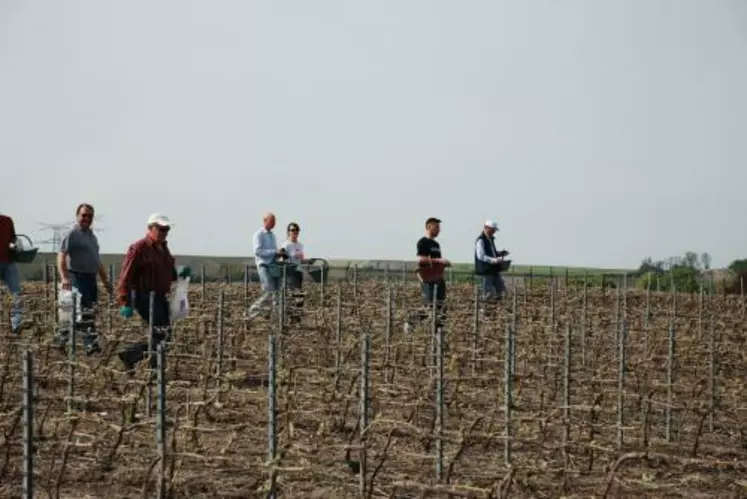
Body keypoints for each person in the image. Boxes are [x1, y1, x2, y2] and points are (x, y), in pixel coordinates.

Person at [116, 213, 190, 374]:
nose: (164, 232)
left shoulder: (164, 249)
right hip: (144, 297)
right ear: (150, 228)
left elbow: (169, 274)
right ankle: (153, 369)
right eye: (161, 228)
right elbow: (125, 275)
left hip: (160, 296)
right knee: (159, 333)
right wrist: (125, 301)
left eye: (167, 229)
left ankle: (136, 358)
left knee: (165, 334)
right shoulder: (139, 248)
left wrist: (179, 274)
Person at [56, 203, 112, 354]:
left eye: (90, 216)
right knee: (85, 309)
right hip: (76, 276)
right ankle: (90, 344)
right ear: (77, 216)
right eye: (84, 215)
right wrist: (64, 278)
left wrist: (106, 282)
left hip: (90, 278)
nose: (86, 218)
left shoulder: (92, 237)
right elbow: (61, 256)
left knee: (87, 310)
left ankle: (62, 338)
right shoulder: (72, 234)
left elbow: (97, 261)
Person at [404, 217, 451, 334]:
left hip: (438, 278)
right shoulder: (422, 242)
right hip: (428, 279)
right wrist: (440, 261)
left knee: (441, 305)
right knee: (429, 306)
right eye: (436, 227)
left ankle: (439, 332)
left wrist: (442, 265)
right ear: (428, 227)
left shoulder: (436, 244)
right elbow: (422, 260)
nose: (439, 230)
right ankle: (411, 321)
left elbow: (436, 261)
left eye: (439, 228)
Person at [247, 212, 284, 319]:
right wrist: (274, 252)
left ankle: (274, 316)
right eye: (272, 221)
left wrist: (279, 254)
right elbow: (257, 251)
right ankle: (254, 310)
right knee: (269, 291)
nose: (274, 223)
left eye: (275, 221)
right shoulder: (258, 234)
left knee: (276, 291)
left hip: (273, 266)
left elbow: (274, 252)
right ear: (265, 221)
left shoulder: (272, 235)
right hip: (263, 265)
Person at [474, 220, 509, 307]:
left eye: (494, 230)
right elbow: (481, 256)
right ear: (486, 228)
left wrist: (500, 253)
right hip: (486, 271)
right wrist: (494, 260)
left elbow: (492, 253)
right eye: (493, 229)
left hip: (494, 270)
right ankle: (485, 312)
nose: (494, 232)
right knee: (487, 293)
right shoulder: (480, 240)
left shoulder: (491, 240)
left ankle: (497, 309)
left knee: (501, 290)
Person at [0, 212, 23, 335]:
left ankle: (16, 326)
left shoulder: (7, 220)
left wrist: (16, 244)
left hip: (9, 262)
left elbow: (12, 237)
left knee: (16, 294)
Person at [281, 222, 306, 322]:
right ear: (288, 232)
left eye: (296, 230)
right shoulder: (286, 245)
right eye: (292, 230)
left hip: (299, 271)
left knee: (298, 294)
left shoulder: (300, 245)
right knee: (294, 294)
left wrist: (306, 260)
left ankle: (296, 317)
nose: (295, 232)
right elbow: (282, 259)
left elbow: (301, 258)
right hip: (290, 272)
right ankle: (291, 317)